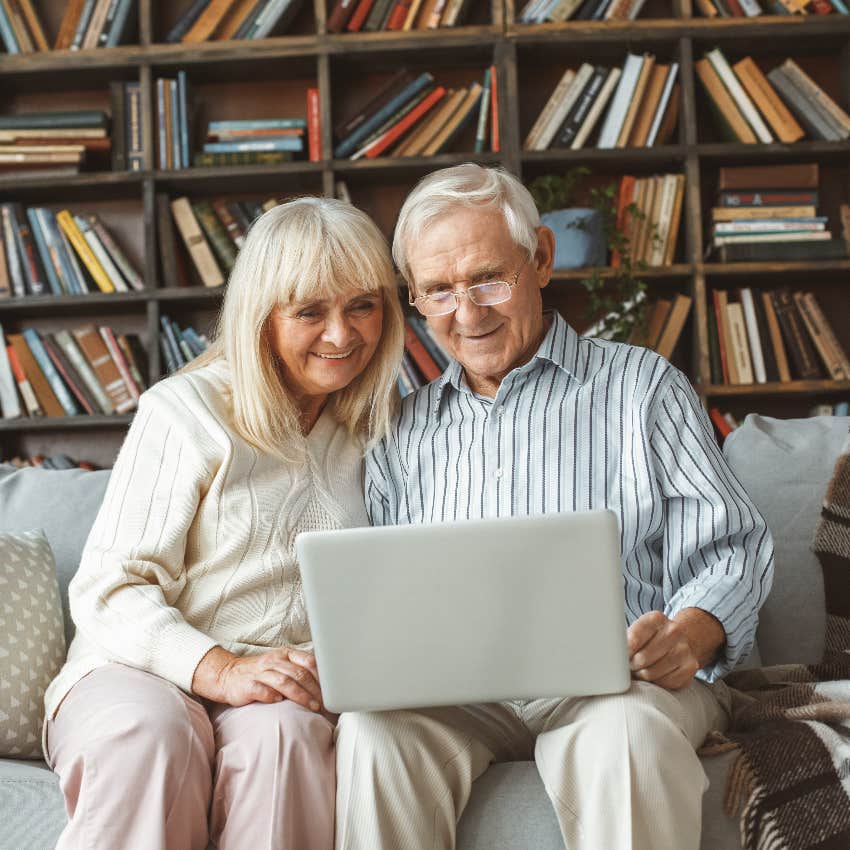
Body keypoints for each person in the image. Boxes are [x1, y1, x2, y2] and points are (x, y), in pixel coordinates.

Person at [334, 164, 775, 850]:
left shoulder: (643, 387)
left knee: (624, 735)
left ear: (540, 258)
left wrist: (690, 634)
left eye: (488, 278)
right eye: (440, 290)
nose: (468, 312)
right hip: (463, 700)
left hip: (620, 686)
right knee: (369, 731)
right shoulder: (399, 430)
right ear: (414, 297)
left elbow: (733, 550)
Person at [43, 197, 405, 850]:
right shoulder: (186, 412)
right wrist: (219, 671)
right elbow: (108, 588)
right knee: (153, 737)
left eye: (362, 305)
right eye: (310, 311)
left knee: (288, 739)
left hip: (278, 687)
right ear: (261, 316)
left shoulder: (382, 426)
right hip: (138, 671)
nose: (342, 334)